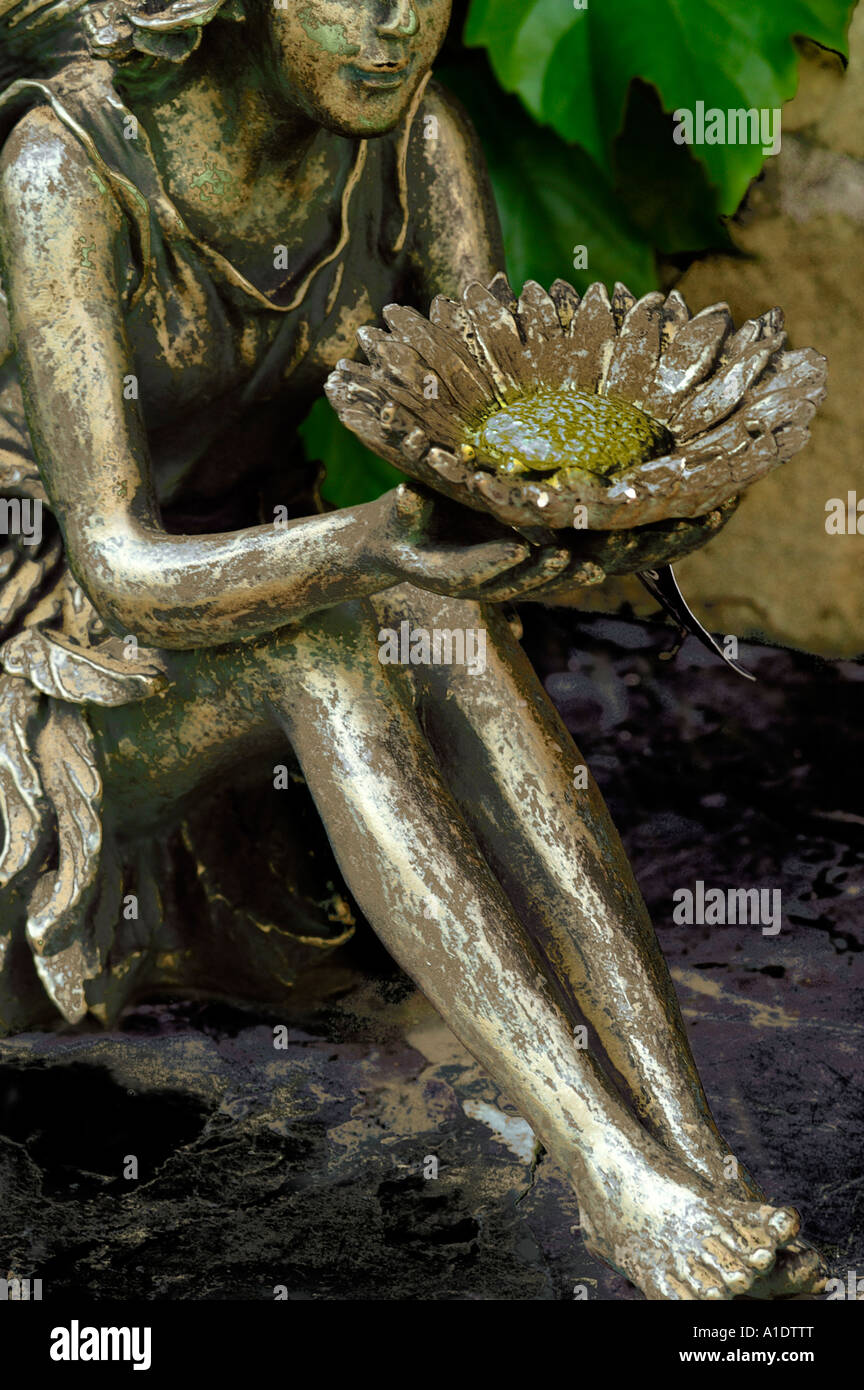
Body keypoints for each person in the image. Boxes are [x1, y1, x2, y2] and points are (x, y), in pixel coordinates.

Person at [0, 0, 823, 1298]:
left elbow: (486, 432)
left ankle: (695, 1153)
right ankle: (612, 1175)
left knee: (440, 622)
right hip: (53, 672)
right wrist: (375, 540)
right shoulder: (65, 167)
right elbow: (122, 564)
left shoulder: (415, 136)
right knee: (328, 644)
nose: (394, 29)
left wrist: (592, 508)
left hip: (268, 584)